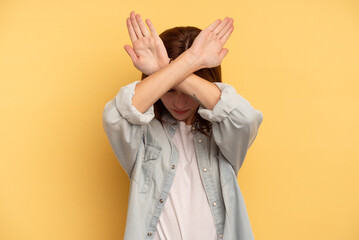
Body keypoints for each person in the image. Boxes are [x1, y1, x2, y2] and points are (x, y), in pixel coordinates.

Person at [102, 11, 263, 240]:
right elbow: (115, 117)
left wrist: (169, 69)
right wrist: (187, 62)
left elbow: (245, 118)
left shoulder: (224, 135)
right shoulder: (144, 133)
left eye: (189, 92)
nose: (179, 103)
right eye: (169, 90)